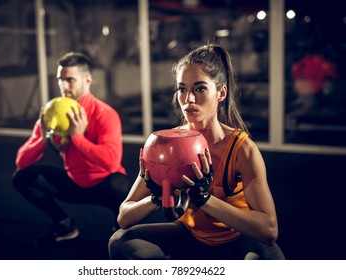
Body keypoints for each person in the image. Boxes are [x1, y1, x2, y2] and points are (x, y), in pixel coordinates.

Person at [108, 43, 285, 260]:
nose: (188, 99)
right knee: (121, 242)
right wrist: (155, 197)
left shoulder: (242, 149)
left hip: (237, 241)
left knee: (268, 261)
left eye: (200, 88)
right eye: (182, 89)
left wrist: (204, 198)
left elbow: (269, 230)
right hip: (191, 237)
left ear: (221, 93)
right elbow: (124, 217)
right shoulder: (164, 145)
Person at [13, 52, 130, 246]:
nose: (64, 86)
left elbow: (111, 162)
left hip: (103, 186)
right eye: (61, 80)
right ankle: (65, 225)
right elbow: (22, 161)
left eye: (70, 80)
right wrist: (42, 139)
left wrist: (77, 137)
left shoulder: (105, 113)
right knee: (22, 177)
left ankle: (121, 235)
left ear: (87, 80)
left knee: (123, 187)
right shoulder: (52, 112)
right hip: (73, 182)